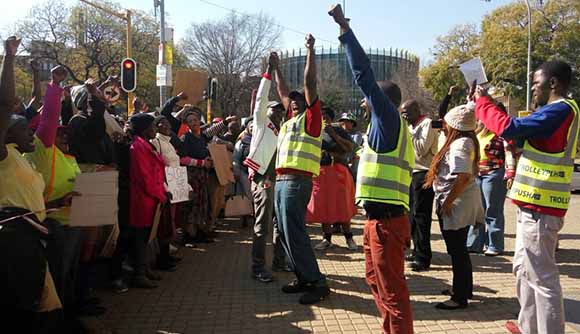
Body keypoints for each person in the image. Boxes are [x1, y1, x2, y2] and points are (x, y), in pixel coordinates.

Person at [475, 60, 578, 334]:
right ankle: (528, 326)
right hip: (531, 206)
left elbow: (510, 128)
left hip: (541, 209)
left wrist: (483, 104)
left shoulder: (560, 110)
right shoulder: (552, 112)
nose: (532, 89)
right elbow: (517, 132)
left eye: (536, 83)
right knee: (523, 270)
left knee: (542, 278)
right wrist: (487, 104)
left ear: (553, 83)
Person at [329, 5, 414, 333]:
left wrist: (344, 30)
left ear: (382, 100)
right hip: (377, 221)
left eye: (370, 99)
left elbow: (363, 73)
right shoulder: (388, 127)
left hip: (387, 223)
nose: (364, 102)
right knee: (374, 281)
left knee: (392, 290)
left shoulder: (387, 117)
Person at [273, 33, 330, 305]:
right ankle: (303, 276)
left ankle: (318, 282)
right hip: (282, 180)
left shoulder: (311, 119)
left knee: (294, 230)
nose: (294, 101)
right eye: (291, 102)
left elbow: (309, 82)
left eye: (299, 100)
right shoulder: (289, 121)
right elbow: (283, 93)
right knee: (283, 231)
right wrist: (276, 70)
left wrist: (310, 50)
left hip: (297, 181)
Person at [424, 104, 483, 310]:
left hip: (456, 203)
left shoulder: (459, 145)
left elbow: (463, 176)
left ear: (454, 126)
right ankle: (464, 289)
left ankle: (459, 297)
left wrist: (448, 202)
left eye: (446, 123)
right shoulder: (463, 140)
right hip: (460, 201)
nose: (443, 126)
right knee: (459, 250)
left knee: (457, 250)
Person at [244, 52, 291, 283]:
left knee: (280, 222)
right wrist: (269, 72)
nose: (279, 112)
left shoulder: (283, 130)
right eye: (275, 109)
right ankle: (257, 266)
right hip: (262, 178)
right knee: (262, 223)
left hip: (280, 179)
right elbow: (262, 99)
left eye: (280, 110)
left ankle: (279, 260)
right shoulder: (262, 124)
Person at [466, 103, 516, 256]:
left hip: (494, 174)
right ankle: (474, 244)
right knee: (477, 210)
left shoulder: (501, 134)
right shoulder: (478, 132)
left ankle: (494, 245)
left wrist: (510, 173)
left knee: (492, 210)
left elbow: (509, 153)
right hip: (477, 174)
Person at [178, 109, 233, 244]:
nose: (193, 123)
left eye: (195, 120)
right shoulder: (186, 138)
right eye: (190, 121)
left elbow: (213, 130)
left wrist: (225, 121)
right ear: (187, 124)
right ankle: (190, 235)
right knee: (193, 205)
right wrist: (202, 162)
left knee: (203, 204)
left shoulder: (202, 135)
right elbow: (183, 159)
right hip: (192, 177)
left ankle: (199, 232)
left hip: (203, 176)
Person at [309, 107, 358, 251]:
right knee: (324, 206)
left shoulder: (338, 130)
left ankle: (349, 238)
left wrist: (333, 135)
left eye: (325, 116)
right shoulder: (313, 132)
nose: (323, 119)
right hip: (320, 172)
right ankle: (326, 239)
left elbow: (349, 148)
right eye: (320, 116)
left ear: (330, 118)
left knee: (342, 205)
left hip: (338, 170)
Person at [128, 113, 167, 289]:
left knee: (147, 236)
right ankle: (139, 273)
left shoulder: (146, 145)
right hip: (143, 199)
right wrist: (159, 194)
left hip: (152, 198)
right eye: (152, 127)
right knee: (140, 236)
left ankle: (144, 268)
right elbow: (144, 177)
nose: (155, 129)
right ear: (144, 129)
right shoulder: (137, 147)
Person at [400, 99, 438, 272]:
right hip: (410, 173)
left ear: (416, 109)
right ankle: (416, 250)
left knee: (422, 216)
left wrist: (411, 133)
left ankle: (424, 257)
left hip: (423, 174)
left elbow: (422, 149)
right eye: (402, 112)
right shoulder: (410, 127)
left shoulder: (426, 124)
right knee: (412, 217)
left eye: (407, 111)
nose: (404, 115)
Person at [151, 115, 185, 271]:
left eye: (168, 124)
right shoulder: (156, 142)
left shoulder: (169, 143)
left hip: (175, 185)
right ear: (156, 126)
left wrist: (185, 187)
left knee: (171, 222)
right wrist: (165, 188)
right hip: (166, 188)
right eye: (162, 124)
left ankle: (167, 254)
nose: (166, 127)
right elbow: (157, 167)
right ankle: (161, 258)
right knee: (164, 224)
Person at [338, 112, 364, 180]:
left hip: (352, 166)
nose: (343, 123)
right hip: (340, 166)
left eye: (346, 121)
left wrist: (339, 139)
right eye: (342, 121)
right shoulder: (338, 133)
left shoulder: (357, 134)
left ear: (352, 123)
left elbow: (353, 146)